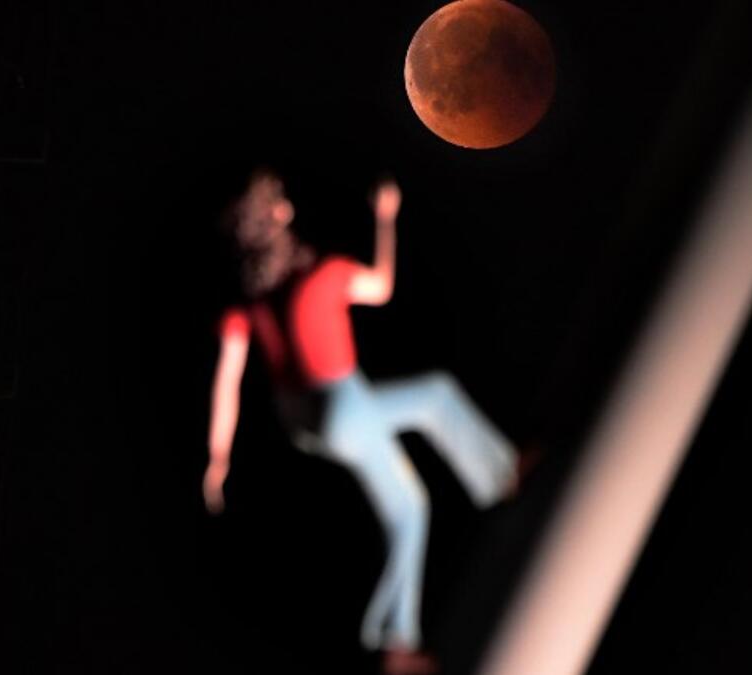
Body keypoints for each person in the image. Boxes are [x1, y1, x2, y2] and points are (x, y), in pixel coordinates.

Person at [202, 168, 517, 674]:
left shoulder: (250, 306)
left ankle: (397, 637)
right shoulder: (321, 274)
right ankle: (500, 480)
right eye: (278, 204)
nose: (287, 207)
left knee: (418, 474)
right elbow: (381, 287)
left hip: (306, 426)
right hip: (344, 408)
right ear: (274, 221)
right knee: (424, 449)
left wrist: (218, 458)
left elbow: (227, 384)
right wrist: (385, 219)